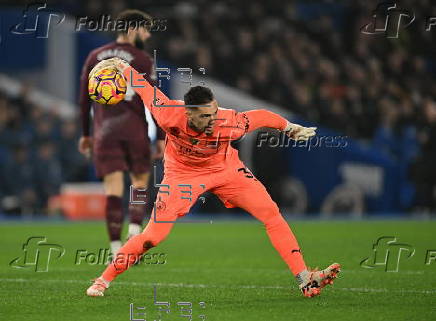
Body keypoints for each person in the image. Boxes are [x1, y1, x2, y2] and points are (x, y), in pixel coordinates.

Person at [86, 57, 341, 298]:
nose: (213, 118)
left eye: (214, 111)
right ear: (189, 114)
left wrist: (289, 128)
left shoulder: (229, 122)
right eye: (206, 115)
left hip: (225, 170)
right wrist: (121, 65)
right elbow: (143, 87)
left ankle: (305, 278)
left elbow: (262, 116)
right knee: (153, 237)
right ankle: (103, 280)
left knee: (270, 212)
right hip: (182, 176)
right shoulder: (168, 114)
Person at [78, 10, 165, 255]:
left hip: (104, 132)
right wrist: (160, 137)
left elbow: (84, 101)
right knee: (139, 182)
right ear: (132, 29)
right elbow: (155, 101)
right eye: (145, 30)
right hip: (135, 130)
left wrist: (86, 134)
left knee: (113, 189)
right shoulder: (142, 59)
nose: (147, 36)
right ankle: (135, 233)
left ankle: (116, 249)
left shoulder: (95, 56)